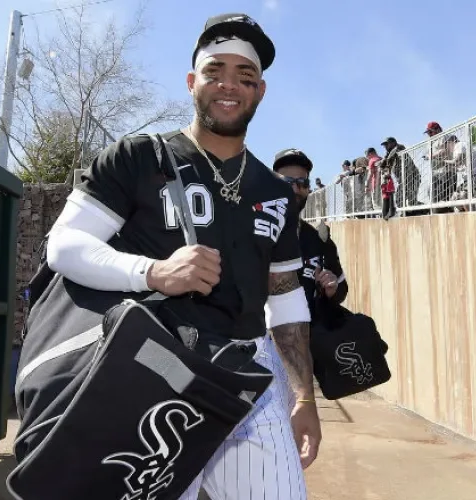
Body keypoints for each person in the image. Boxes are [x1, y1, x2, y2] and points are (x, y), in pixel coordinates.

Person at [44, 13, 318, 500]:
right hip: (155, 369)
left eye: (244, 76)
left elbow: (286, 297)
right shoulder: (136, 157)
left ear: (260, 91)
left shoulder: (276, 191)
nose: (228, 85)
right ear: (193, 82)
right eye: (215, 71)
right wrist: (152, 271)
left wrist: (302, 396)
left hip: (246, 375)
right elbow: (64, 246)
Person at [270, 147, 349, 407]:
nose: (295, 189)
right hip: (258, 352)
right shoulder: (253, 232)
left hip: (301, 355)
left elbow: (341, 288)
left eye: (302, 183)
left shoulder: (318, 239)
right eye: (287, 182)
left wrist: (330, 289)